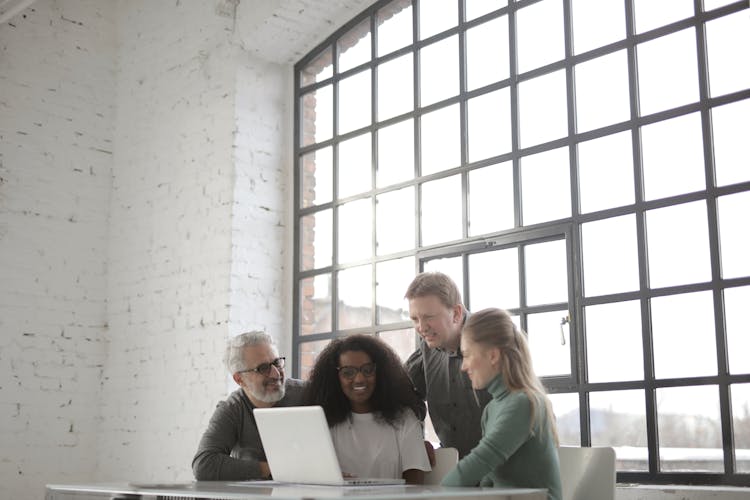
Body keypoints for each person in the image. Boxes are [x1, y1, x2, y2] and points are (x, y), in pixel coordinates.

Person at [440, 308, 561, 500]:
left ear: (493, 356)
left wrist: (433, 496)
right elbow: (489, 478)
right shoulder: (491, 409)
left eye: (468, 354)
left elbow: (482, 460)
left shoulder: (524, 403)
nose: (463, 366)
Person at [303, 334, 431, 484]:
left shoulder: (404, 419)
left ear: (381, 372)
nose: (359, 379)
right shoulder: (321, 421)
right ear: (334, 377)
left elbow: (415, 485)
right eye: (348, 372)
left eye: (368, 370)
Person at [192, 331, 305, 480]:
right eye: (263, 368)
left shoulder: (308, 393)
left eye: (277, 363)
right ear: (240, 379)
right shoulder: (232, 409)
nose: (276, 374)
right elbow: (204, 465)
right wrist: (274, 469)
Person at [404, 271, 491, 459]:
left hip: (503, 470)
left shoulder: (494, 338)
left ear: (456, 313)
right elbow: (403, 396)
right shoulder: (427, 345)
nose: (421, 327)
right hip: (454, 466)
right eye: (415, 319)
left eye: (428, 317)